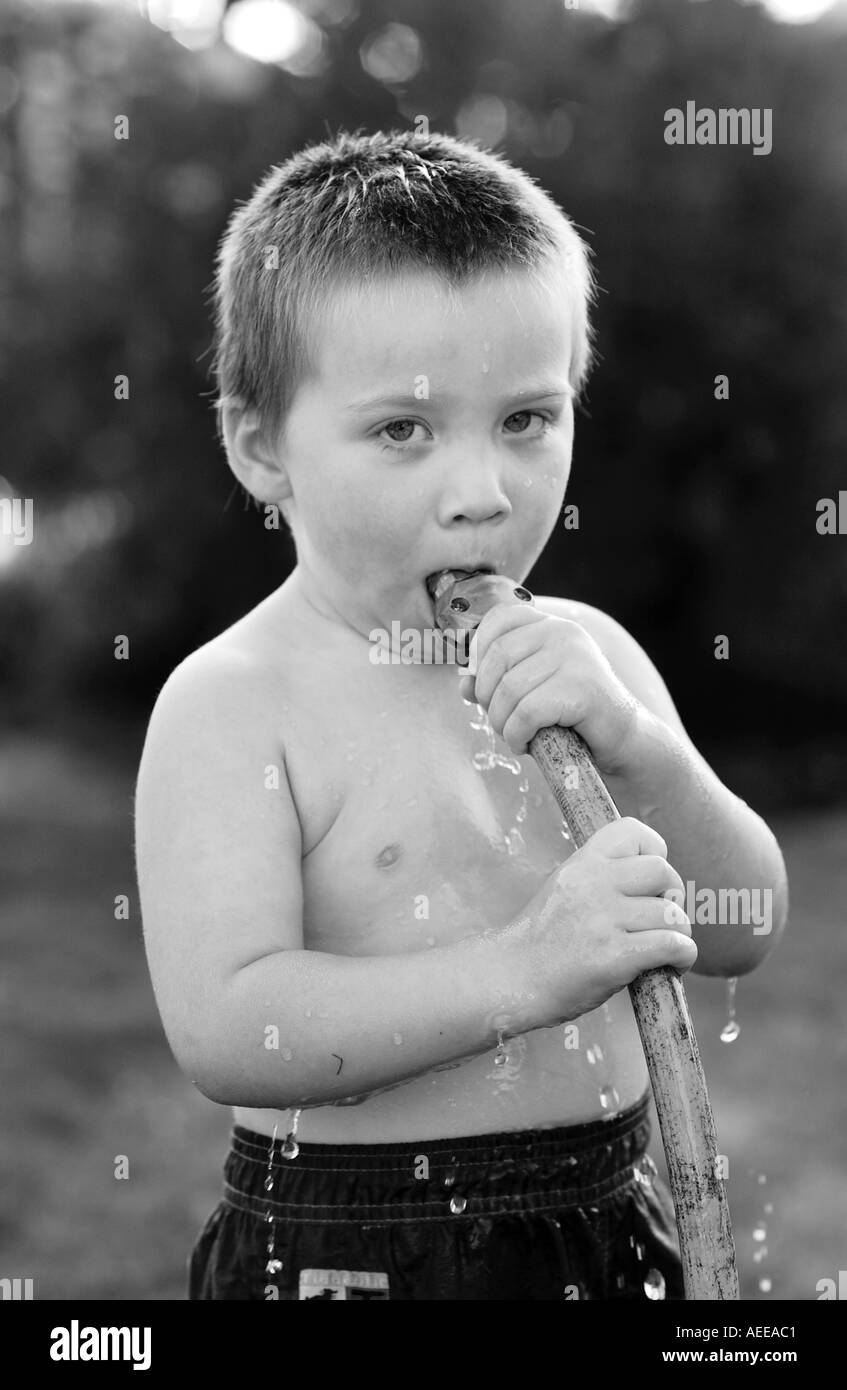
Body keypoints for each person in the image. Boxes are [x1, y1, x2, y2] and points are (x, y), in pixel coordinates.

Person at [134, 129, 788, 1301]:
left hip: (607, 1226)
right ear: (259, 446)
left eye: (527, 420)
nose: (482, 493)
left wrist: (641, 752)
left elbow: (742, 922)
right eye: (403, 431)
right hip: (355, 1253)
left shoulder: (597, 661)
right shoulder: (234, 703)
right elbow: (229, 1028)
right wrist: (524, 972)